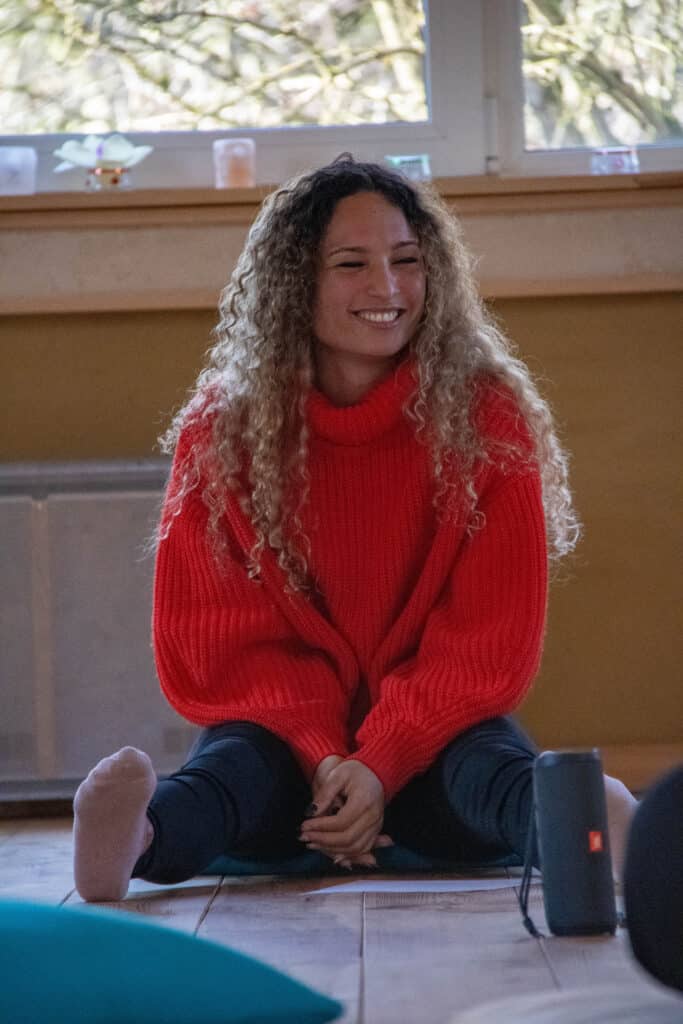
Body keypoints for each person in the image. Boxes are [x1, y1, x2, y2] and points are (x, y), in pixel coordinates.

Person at [72, 157, 636, 902]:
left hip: (432, 741)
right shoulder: (222, 430)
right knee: (230, 773)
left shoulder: (487, 418)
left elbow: (486, 637)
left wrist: (383, 759)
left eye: (407, 261)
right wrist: (323, 756)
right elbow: (221, 637)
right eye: (351, 264)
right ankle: (138, 837)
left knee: (491, 770)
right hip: (288, 754)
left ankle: (594, 832)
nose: (388, 287)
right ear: (293, 283)